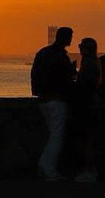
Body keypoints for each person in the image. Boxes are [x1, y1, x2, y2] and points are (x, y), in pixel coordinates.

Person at [30, 26, 75, 181]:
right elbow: (65, 80)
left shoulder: (43, 52)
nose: (71, 39)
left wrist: (37, 92)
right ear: (65, 37)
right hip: (56, 100)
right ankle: (47, 168)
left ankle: (46, 167)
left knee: (52, 135)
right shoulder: (61, 56)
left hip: (43, 100)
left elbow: (35, 74)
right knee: (57, 136)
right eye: (70, 36)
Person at [68, 37, 100, 181]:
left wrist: (73, 77)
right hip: (87, 105)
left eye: (82, 46)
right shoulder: (92, 63)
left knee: (85, 139)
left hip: (85, 106)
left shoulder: (90, 65)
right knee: (86, 138)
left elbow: (84, 87)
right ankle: (88, 169)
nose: (79, 48)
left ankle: (88, 170)